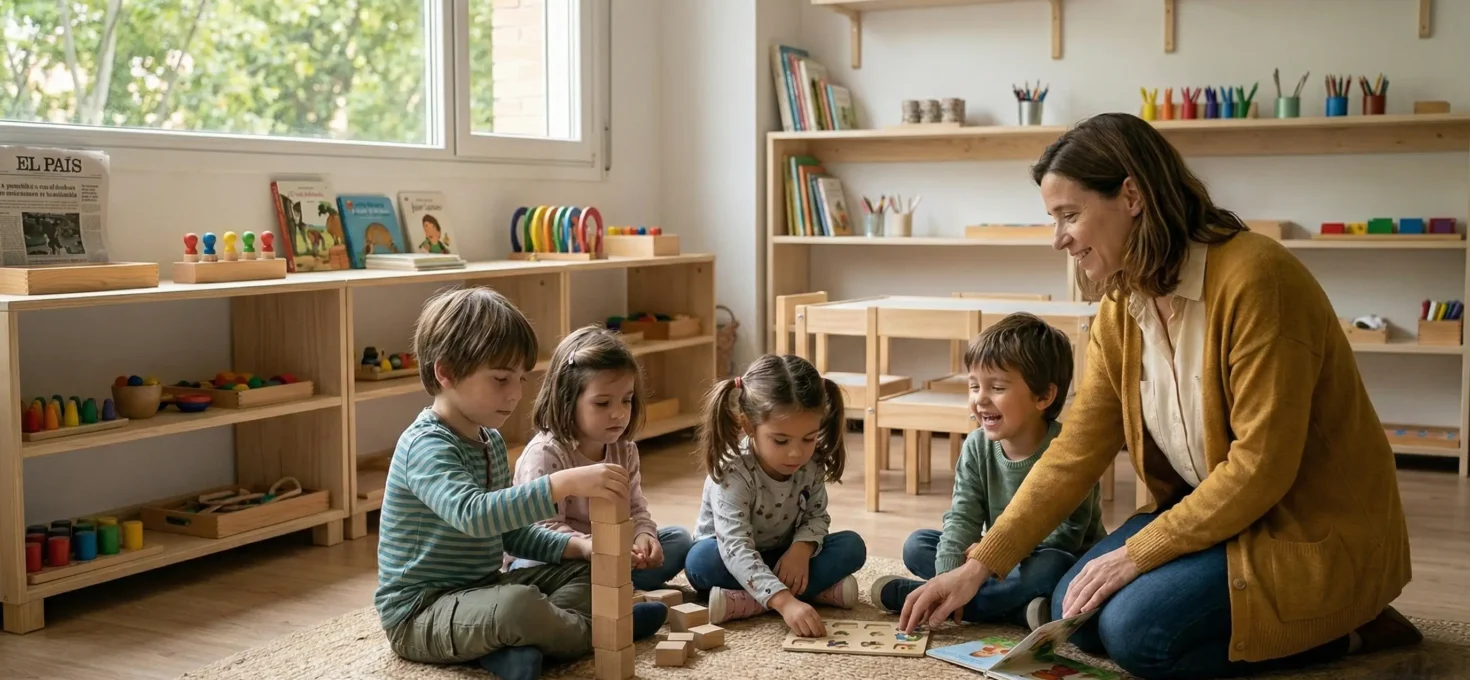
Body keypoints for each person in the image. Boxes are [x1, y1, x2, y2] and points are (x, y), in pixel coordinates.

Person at [898, 112, 1421, 679]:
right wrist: (980, 564)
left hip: (1299, 524)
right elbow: (1074, 452)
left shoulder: (1259, 279)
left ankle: (1352, 624)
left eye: (1069, 215)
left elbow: (1261, 468)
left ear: (1131, 195)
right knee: (1079, 603)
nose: (1059, 239)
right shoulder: (1122, 307)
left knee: (1137, 635)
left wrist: (1138, 554)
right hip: (1210, 510)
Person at [374, 288, 667, 680]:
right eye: (499, 380)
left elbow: (508, 533)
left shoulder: (489, 439)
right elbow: (475, 515)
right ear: (445, 372)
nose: (514, 394)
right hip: (421, 611)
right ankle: (605, 629)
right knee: (516, 606)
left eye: (519, 379)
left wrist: (579, 546)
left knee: (586, 571)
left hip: (482, 588)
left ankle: (518, 647)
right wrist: (559, 484)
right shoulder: (424, 446)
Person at [871, 313, 1105, 631]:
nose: (980, 398)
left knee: (1051, 567)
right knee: (918, 545)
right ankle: (1012, 610)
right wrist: (947, 576)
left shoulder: (1068, 449)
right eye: (974, 386)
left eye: (996, 387)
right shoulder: (977, 446)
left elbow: (1067, 536)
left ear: (1044, 397)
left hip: (1055, 558)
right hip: (995, 558)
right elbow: (963, 516)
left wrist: (989, 555)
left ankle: (947, 602)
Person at [684, 354, 867, 637]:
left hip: (783, 554)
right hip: (729, 555)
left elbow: (816, 516)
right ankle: (805, 593)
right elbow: (734, 547)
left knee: (852, 546)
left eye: (809, 438)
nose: (796, 452)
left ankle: (746, 601)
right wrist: (785, 603)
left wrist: (801, 550)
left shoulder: (812, 462)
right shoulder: (734, 472)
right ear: (748, 426)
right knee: (699, 562)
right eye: (780, 440)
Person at [511, 324, 694, 591]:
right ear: (567, 399)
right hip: (558, 559)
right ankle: (609, 594)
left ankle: (613, 590)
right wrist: (595, 548)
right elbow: (542, 531)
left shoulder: (624, 450)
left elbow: (635, 509)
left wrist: (644, 535)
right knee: (533, 570)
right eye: (602, 403)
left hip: (609, 554)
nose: (619, 413)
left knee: (678, 539)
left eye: (627, 400)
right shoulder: (545, 454)